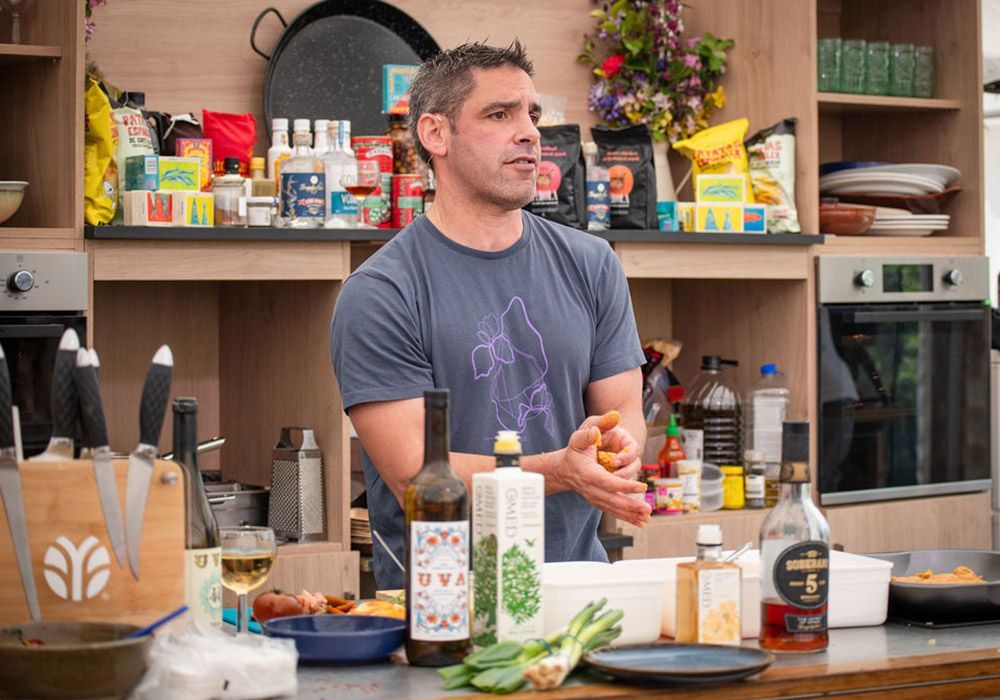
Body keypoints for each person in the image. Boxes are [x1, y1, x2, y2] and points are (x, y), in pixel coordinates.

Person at [330, 40, 651, 590]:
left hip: (576, 587)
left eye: (532, 115)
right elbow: (414, 474)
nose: (529, 133)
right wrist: (558, 470)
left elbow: (621, 409)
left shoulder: (593, 264)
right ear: (436, 134)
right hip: (440, 607)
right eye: (499, 114)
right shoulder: (381, 292)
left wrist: (619, 454)